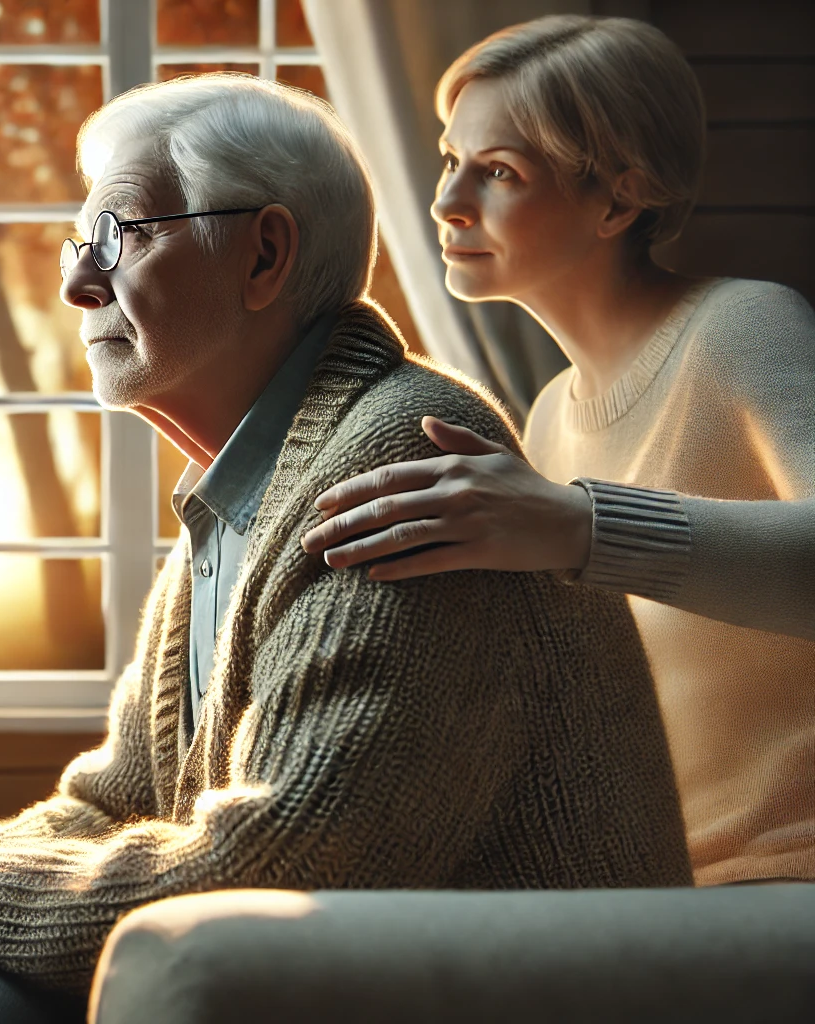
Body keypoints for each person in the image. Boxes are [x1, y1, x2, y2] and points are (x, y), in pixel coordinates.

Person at [0, 73, 690, 1024]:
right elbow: (119, 801)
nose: (78, 281)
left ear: (264, 255)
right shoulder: (243, 485)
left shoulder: (399, 458)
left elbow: (280, 863)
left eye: (119, 235)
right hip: (304, 981)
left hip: (477, 994)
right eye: (79, 244)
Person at [299, 16, 815, 887]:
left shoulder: (744, 327)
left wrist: (580, 527)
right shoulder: (548, 418)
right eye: (449, 159)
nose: (447, 201)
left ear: (619, 201)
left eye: (499, 172)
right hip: (652, 888)